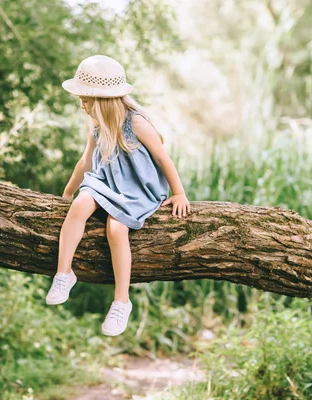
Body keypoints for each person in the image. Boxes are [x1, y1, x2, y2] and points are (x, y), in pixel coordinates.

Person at [45, 54, 191, 336]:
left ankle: (121, 301)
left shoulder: (135, 123)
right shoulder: (96, 127)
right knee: (79, 205)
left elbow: (164, 159)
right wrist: (67, 191)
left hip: (136, 188)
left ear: (102, 100)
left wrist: (179, 192)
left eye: (85, 98)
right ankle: (64, 273)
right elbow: (85, 162)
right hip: (104, 181)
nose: (81, 104)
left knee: (116, 227)